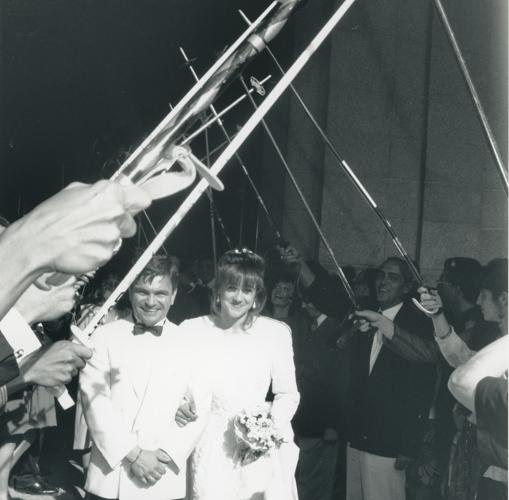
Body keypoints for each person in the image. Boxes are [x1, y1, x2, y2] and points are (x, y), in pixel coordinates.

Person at [79, 255, 210, 500]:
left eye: (160, 293)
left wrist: (166, 453)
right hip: (111, 476)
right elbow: (95, 404)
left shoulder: (190, 343)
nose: (151, 301)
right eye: (142, 292)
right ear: (130, 293)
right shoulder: (104, 337)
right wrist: (134, 455)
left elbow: (200, 407)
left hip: (161, 475)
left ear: (173, 295)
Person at [176, 248, 300, 500]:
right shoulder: (191, 330)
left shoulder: (275, 333)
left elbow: (288, 393)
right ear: (218, 291)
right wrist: (177, 404)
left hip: (256, 448)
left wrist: (266, 430)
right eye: (231, 288)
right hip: (207, 445)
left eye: (247, 290)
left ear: (257, 296)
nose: (238, 297)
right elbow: (174, 385)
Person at [350, 257, 436, 500]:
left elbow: (422, 388)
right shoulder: (364, 318)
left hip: (389, 441)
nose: (383, 282)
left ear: (407, 287)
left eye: (393, 277)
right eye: (381, 275)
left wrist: (409, 445)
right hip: (357, 435)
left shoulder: (417, 325)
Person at [292, 293, 350, 500]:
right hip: (306, 420)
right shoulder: (312, 326)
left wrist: (332, 425)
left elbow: (340, 382)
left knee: (317, 485)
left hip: (322, 425)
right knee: (306, 481)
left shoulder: (336, 330)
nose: (304, 304)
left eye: (309, 299)